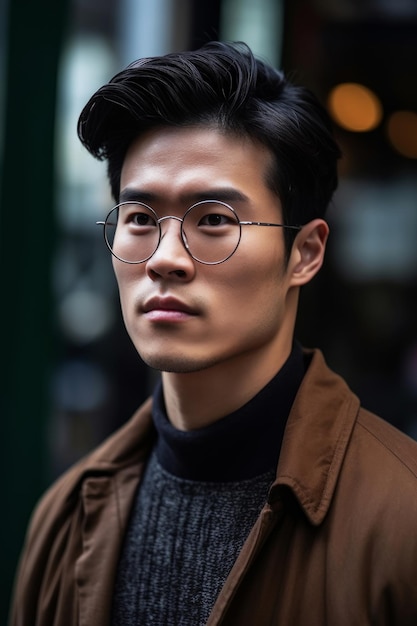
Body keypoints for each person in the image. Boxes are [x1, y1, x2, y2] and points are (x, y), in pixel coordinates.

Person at [9, 41, 417, 626]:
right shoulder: (68, 517)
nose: (164, 259)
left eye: (215, 221)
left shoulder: (400, 522)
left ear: (304, 253)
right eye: (141, 219)